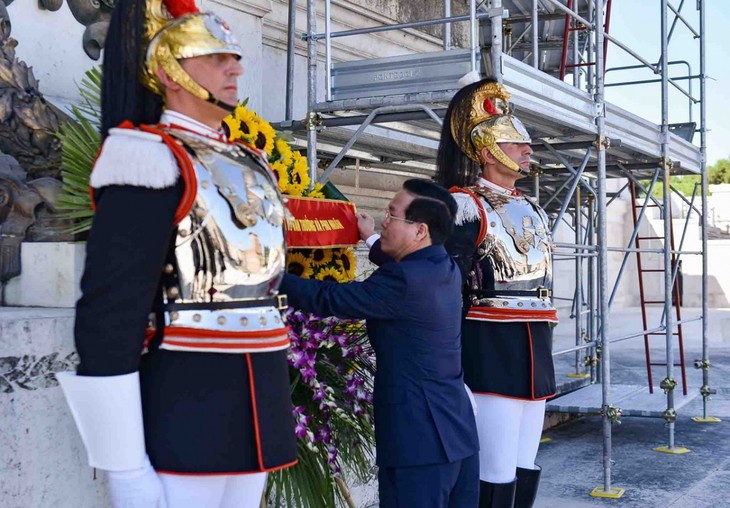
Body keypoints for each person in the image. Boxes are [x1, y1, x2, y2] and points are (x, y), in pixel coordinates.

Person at [56, 0, 297, 506]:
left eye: (234, 55)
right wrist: (125, 465)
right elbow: (110, 316)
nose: (235, 66)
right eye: (215, 56)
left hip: (258, 402)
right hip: (188, 409)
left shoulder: (249, 161)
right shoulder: (147, 157)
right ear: (169, 70)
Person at [281, 179, 480, 508]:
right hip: (457, 435)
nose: (385, 219)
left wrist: (266, 275)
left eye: (392, 214)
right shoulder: (444, 266)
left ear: (419, 231)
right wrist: (370, 237)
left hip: (418, 444)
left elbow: (329, 297)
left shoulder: (402, 281)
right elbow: (404, 266)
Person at [436, 76, 557, 507]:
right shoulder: (465, 204)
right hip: (490, 346)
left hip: (535, 347)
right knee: (496, 466)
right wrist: (450, 365)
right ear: (489, 152)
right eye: (516, 143)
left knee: (527, 461)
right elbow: (446, 288)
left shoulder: (535, 208)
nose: (528, 150)